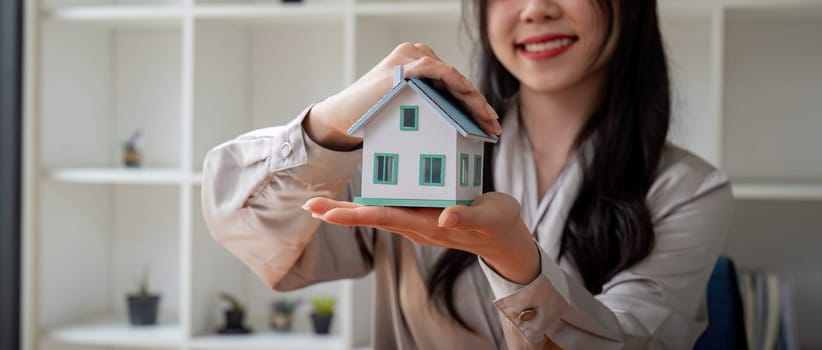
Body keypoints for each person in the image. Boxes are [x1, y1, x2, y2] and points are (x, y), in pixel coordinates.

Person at [201, 0, 733, 348]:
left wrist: (514, 261)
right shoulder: (402, 146)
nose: (535, 9)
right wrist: (330, 122)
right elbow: (251, 234)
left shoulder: (686, 191)